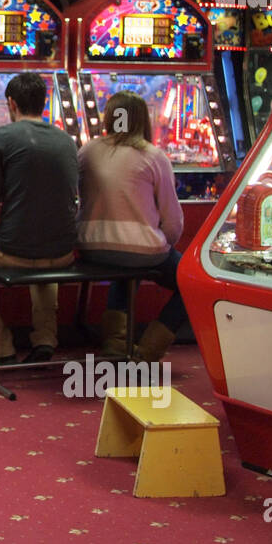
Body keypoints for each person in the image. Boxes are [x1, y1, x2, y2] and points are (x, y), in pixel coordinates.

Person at [0, 73, 78, 366]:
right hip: (63, 252)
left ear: (11, 103)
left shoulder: (0, 138)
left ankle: (2, 347)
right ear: (45, 103)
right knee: (44, 244)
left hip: (13, 250)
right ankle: (45, 340)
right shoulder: (68, 140)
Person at [77, 91, 186, 363]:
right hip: (141, 250)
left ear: (108, 118)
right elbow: (173, 222)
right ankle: (147, 352)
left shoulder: (88, 150)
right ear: (143, 120)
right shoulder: (153, 156)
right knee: (192, 283)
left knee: (126, 267)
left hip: (91, 247)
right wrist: (163, 241)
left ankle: (114, 343)